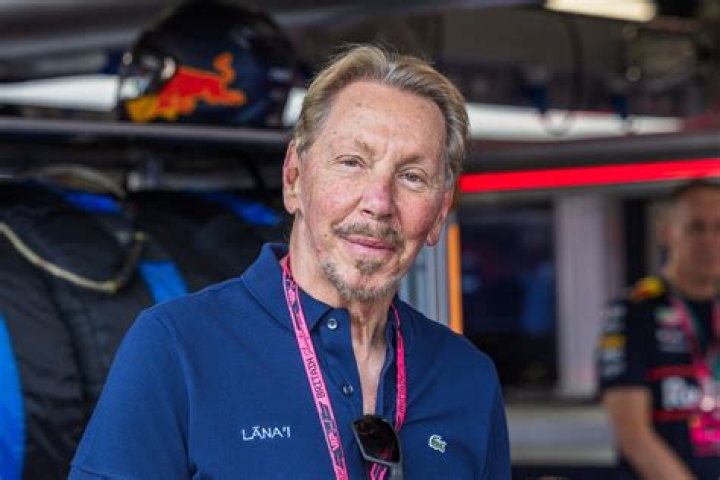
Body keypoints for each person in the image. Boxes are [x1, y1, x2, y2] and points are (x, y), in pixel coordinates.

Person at [69, 44, 510, 479]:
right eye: (352, 162)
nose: (378, 203)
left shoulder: (467, 378)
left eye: (412, 176)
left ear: (439, 213)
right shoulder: (176, 347)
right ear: (294, 178)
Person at [597, 180, 720, 479]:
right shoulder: (633, 312)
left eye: (719, 228)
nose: (709, 240)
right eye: (696, 228)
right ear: (666, 232)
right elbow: (633, 435)